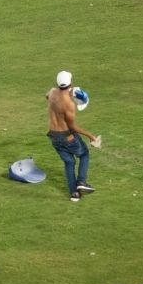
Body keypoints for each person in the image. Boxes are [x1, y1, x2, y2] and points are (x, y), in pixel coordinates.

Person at [47, 70, 99, 202]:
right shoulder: (69, 104)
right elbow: (72, 127)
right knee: (84, 154)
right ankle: (81, 181)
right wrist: (90, 135)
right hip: (66, 136)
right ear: (71, 83)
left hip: (53, 136)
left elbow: (47, 96)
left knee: (69, 162)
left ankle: (74, 194)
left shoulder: (52, 92)